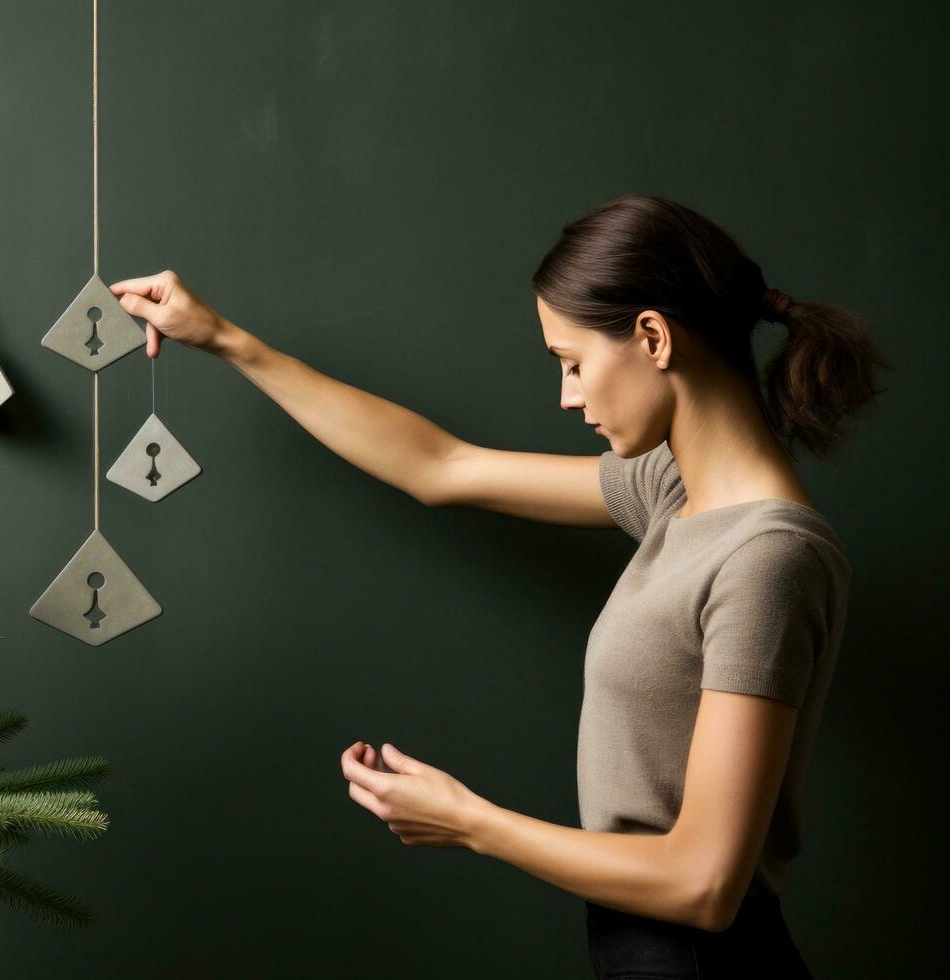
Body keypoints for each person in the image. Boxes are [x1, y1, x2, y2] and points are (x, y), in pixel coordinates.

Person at [108, 193, 886, 979]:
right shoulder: (670, 492)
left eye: (573, 362)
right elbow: (439, 467)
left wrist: (470, 823)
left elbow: (704, 882)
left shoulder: (767, 556)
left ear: (651, 336)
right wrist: (225, 340)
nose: (567, 395)